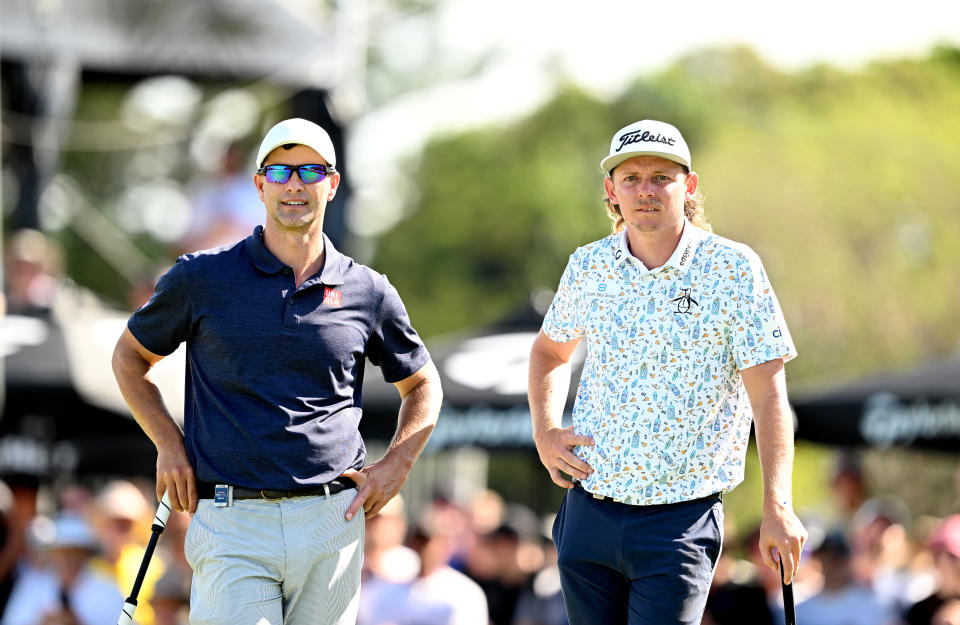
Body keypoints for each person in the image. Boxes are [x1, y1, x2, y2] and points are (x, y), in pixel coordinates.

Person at [112, 117, 443, 625]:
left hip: (333, 522)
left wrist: (396, 465)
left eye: (310, 170)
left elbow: (422, 384)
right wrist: (168, 443)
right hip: (231, 518)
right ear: (259, 184)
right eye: (281, 170)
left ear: (331, 185)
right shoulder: (201, 277)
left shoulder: (368, 290)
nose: (295, 184)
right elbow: (130, 358)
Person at [527, 119, 807, 625]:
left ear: (689, 185)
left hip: (680, 520)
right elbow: (549, 353)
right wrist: (546, 431)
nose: (646, 190)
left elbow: (768, 398)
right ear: (611, 191)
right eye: (630, 178)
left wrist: (777, 505)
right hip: (589, 510)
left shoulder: (732, 268)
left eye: (661, 177)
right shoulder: (589, 265)